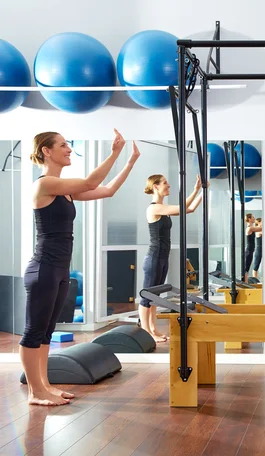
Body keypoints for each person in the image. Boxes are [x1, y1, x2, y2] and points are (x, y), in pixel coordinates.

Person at [21, 129, 139, 406]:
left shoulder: (65, 191)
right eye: (63, 145)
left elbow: (106, 190)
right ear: (46, 151)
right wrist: (114, 152)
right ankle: (35, 392)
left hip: (60, 269)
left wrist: (130, 162)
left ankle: (45, 386)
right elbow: (89, 181)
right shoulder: (45, 184)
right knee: (34, 331)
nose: (69, 149)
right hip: (44, 268)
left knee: (47, 331)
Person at [139, 173, 207, 342]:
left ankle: (153, 329)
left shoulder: (164, 208)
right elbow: (183, 206)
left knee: (155, 296)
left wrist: (203, 193)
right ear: (156, 186)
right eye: (165, 183)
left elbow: (188, 210)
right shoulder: (154, 208)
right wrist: (196, 189)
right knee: (146, 296)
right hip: (154, 257)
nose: (168, 186)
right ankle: (145, 332)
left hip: (162, 258)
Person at [243, 213, 262, 283]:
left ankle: (246, 282)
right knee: (246, 268)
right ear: (249, 219)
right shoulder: (250, 228)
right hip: (249, 250)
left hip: (250, 250)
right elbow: (261, 228)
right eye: (253, 217)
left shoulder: (251, 227)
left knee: (247, 268)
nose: (254, 218)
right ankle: (245, 283)